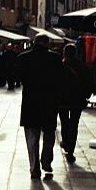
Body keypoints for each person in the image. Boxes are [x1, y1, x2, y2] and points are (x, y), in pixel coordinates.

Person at [15, 34, 63, 179]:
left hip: (30, 103)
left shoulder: (23, 57)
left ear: (34, 42)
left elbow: (17, 77)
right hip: (49, 103)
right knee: (49, 134)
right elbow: (60, 80)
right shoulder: (55, 58)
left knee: (32, 137)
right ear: (47, 44)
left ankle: (34, 168)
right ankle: (46, 161)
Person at [59, 43, 92, 164]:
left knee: (64, 123)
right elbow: (88, 83)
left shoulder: (60, 66)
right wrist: (86, 96)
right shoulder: (83, 67)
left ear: (64, 53)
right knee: (74, 125)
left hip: (62, 101)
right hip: (77, 101)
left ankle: (66, 143)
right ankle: (71, 151)